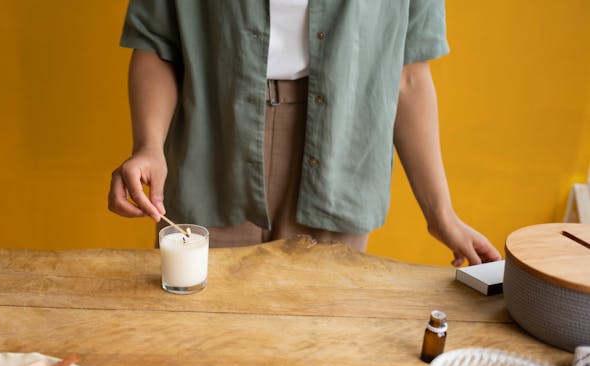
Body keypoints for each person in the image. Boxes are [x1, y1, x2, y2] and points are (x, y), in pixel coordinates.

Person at [108, 0, 501, 266]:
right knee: (201, 338)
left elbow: (410, 74)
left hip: (341, 147)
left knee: (318, 341)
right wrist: (148, 146)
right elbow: (156, 44)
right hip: (212, 142)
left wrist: (441, 214)